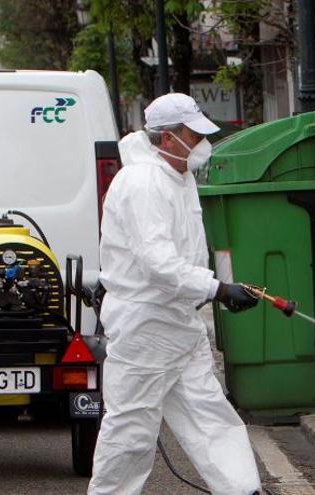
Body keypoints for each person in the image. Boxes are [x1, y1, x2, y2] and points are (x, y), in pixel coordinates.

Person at [88, 93, 262, 495]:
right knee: (131, 430)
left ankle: (242, 490)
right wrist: (218, 289)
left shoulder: (176, 177)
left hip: (178, 323)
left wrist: (209, 290)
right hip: (146, 326)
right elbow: (159, 263)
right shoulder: (144, 183)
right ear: (168, 138)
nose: (202, 142)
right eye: (193, 134)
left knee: (210, 414)